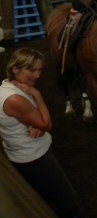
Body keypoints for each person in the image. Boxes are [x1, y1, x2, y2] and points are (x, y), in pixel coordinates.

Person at [0, 48, 85, 218]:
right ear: (15, 69)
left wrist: (36, 122)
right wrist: (37, 96)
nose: (37, 75)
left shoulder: (11, 86)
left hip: (32, 152)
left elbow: (37, 119)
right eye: (31, 70)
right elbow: (46, 123)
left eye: (39, 70)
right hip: (34, 157)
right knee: (68, 199)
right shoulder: (15, 97)